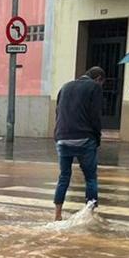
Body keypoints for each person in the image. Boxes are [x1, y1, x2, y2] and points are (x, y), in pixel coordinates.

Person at [53, 66, 105, 222]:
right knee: (90, 178)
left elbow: (57, 112)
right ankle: (91, 214)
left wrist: (57, 136)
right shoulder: (94, 87)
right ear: (99, 79)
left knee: (64, 176)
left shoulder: (65, 86)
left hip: (62, 138)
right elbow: (95, 115)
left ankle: (57, 214)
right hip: (84, 138)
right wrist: (97, 137)